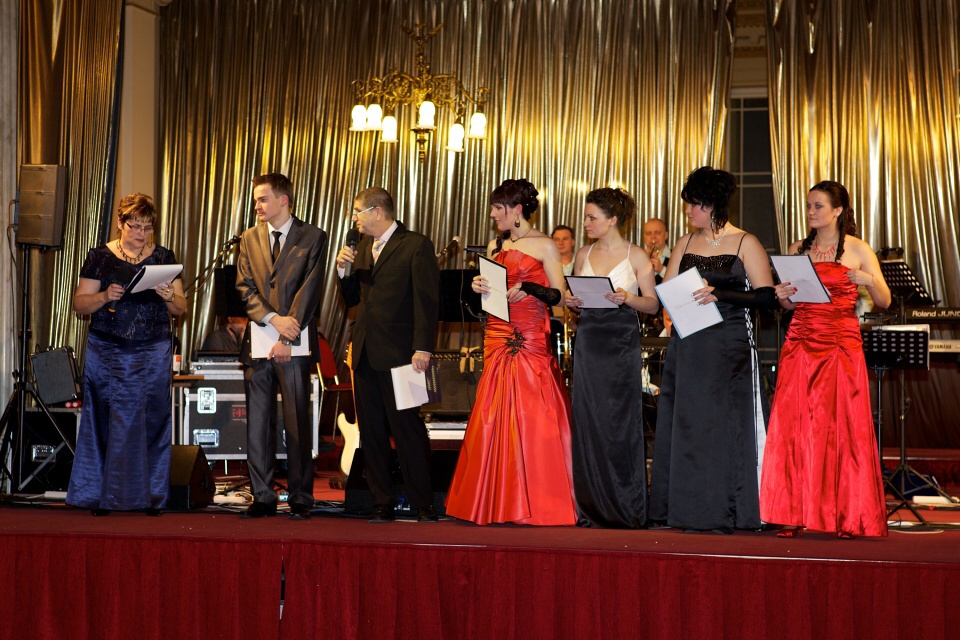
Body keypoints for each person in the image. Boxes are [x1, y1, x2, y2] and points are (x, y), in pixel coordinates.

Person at [648, 166, 777, 533]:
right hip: (689, 343)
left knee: (725, 425)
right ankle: (687, 507)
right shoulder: (684, 243)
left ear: (712, 204)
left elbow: (766, 297)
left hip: (729, 344)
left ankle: (731, 506)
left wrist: (721, 293)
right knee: (689, 425)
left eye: (694, 205)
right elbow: (665, 293)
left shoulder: (745, 242)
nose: (688, 211)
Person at [760, 181, 891, 539]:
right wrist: (781, 295)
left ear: (838, 210)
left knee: (842, 428)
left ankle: (848, 515)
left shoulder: (858, 248)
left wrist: (868, 279)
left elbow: (884, 300)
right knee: (795, 427)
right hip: (801, 341)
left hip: (840, 343)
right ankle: (793, 514)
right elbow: (789, 304)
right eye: (808, 206)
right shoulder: (796, 249)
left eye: (817, 206)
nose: (810, 212)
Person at [445, 179, 577, 526]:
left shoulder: (545, 245)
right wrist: (478, 285)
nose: (492, 214)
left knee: (531, 413)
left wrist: (530, 287)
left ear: (517, 209)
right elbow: (493, 291)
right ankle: (495, 501)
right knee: (493, 413)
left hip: (528, 335)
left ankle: (539, 501)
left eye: (497, 208)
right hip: (496, 333)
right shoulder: (495, 245)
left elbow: (560, 296)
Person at [67, 193, 187, 516]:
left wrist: (169, 296)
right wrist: (105, 296)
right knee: (106, 421)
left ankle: (151, 496)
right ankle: (101, 495)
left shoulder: (163, 257)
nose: (141, 234)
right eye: (135, 226)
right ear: (120, 223)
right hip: (108, 350)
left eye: (147, 228)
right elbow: (80, 304)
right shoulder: (100, 256)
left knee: (152, 420)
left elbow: (181, 308)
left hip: (153, 351)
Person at [336, 187, 441, 523]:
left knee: (407, 429)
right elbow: (353, 300)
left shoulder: (415, 245)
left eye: (358, 211)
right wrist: (342, 272)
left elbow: (427, 300)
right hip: (366, 352)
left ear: (377, 212)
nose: (354, 218)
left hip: (404, 354)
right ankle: (381, 501)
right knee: (371, 431)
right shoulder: (362, 248)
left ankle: (423, 503)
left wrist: (423, 347)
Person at [565, 187, 659, 528]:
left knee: (619, 420)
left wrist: (627, 298)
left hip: (620, 342)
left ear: (613, 219)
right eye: (586, 217)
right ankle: (590, 506)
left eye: (592, 217)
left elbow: (653, 304)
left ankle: (626, 504)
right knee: (588, 419)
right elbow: (575, 305)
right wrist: (572, 303)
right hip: (589, 341)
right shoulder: (583, 253)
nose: (586, 223)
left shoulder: (637, 256)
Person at [236, 173, 327, 520]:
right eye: (256, 200)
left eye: (263, 199)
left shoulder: (313, 236)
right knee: (258, 424)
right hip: (259, 343)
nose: (257, 206)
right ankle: (263, 496)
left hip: (296, 343)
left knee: (297, 422)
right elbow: (244, 288)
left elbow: (311, 289)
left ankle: (301, 497)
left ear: (283, 200)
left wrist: (288, 335)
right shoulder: (248, 238)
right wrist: (275, 321)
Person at [642, 217, 671, 282]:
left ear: (666, 235)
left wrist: (662, 270)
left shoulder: (676, 256)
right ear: (644, 237)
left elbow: (681, 283)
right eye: (648, 233)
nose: (653, 237)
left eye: (657, 232)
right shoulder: (637, 258)